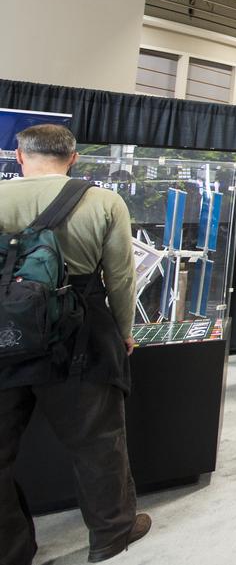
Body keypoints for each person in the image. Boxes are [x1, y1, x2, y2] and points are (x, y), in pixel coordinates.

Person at [0, 124, 151, 564]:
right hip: (79, 333)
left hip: (4, 334)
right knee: (98, 440)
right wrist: (124, 330)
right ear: (74, 158)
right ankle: (111, 534)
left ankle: (12, 549)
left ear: (19, 155)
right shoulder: (102, 201)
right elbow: (121, 276)